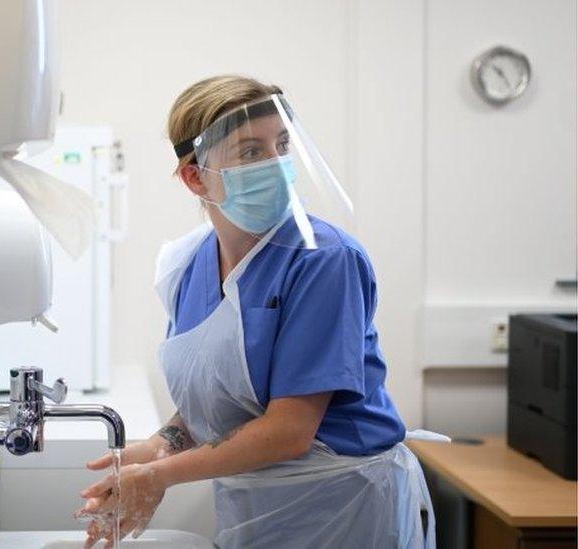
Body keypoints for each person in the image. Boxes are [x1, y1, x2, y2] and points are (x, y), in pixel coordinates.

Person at [76, 75, 440, 549]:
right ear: (195, 177)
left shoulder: (324, 260)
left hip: (345, 507)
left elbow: (289, 431)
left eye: (283, 144)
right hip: (257, 507)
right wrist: (161, 444)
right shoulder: (188, 266)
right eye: (251, 152)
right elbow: (219, 399)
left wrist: (160, 475)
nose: (277, 163)